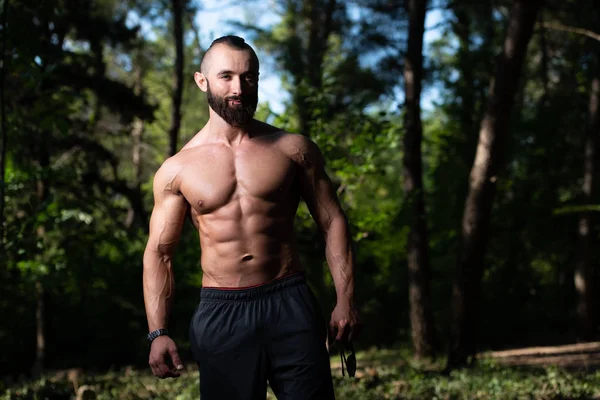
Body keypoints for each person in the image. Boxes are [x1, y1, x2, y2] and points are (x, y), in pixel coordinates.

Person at [142, 35, 359, 400]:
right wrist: (157, 331)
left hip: (289, 301)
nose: (239, 88)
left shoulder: (294, 149)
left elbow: (333, 221)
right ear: (202, 81)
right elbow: (159, 253)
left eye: (249, 77)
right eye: (226, 76)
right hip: (221, 312)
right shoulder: (177, 169)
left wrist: (346, 299)